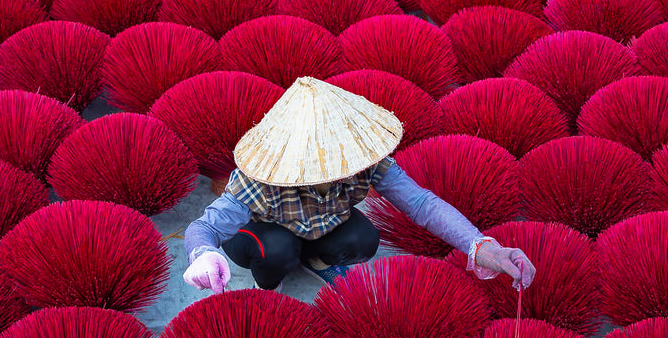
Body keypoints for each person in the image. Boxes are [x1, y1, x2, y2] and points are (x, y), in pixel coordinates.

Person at [182, 77, 536, 292]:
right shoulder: (262, 175)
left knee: (363, 240)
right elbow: (204, 227)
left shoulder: (363, 160)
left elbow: (421, 203)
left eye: (342, 161)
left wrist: (484, 249)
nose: (340, 170)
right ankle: (268, 284)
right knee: (276, 250)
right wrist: (202, 255)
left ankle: (317, 261)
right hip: (263, 235)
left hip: (320, 229)